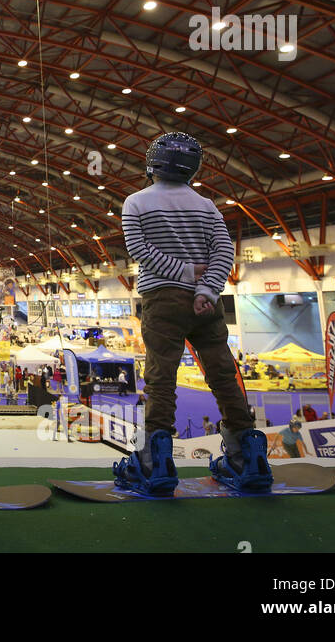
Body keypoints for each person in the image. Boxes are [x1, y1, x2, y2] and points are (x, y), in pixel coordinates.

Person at [114, 133, 271, 495]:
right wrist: (206, 289)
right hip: (206, 305)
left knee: (161, 376)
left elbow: (138, 248)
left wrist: (182, 274)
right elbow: (223, 252)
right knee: (223, 374)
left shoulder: (135, 202)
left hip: (161, 298)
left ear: (152, 163)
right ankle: (246, 458)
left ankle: (156, 464)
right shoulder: (207, 206)